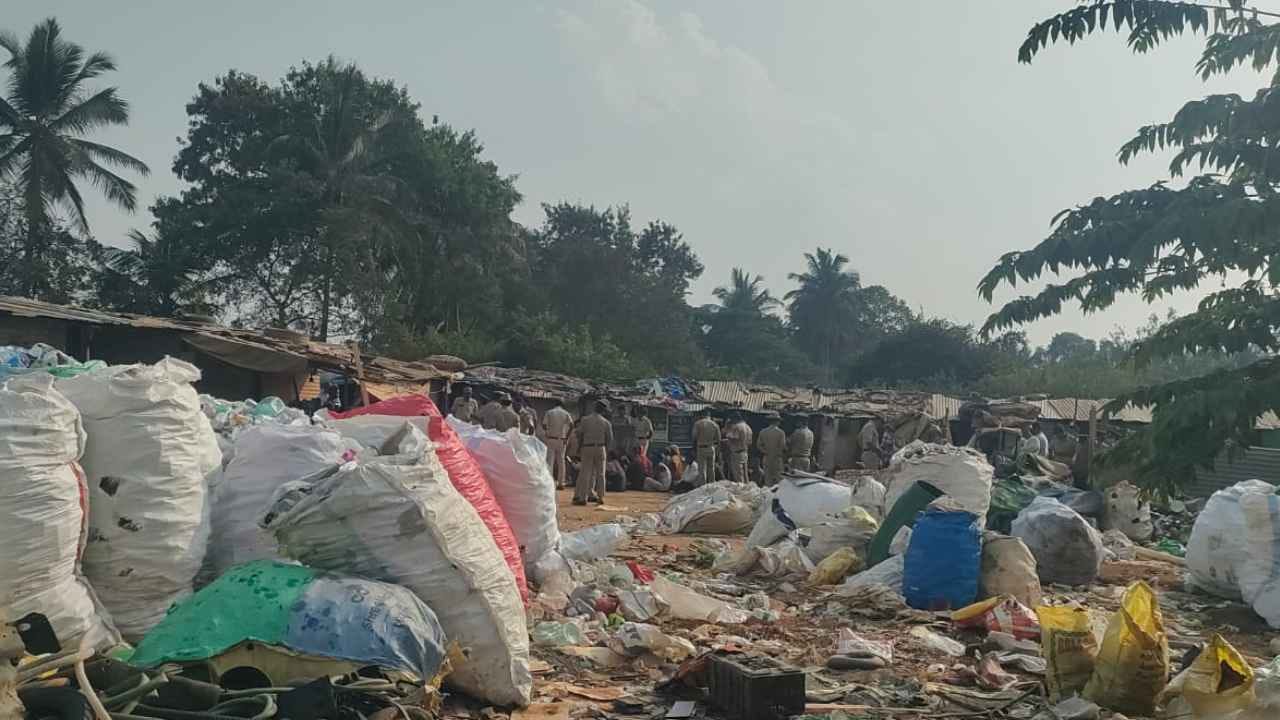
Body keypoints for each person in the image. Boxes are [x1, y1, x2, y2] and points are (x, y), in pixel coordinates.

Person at [573, 400, 613, 505]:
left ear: (594, 407)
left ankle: (583, 498)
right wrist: (606, 450)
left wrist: (579, 447)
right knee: (601, 474)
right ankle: (600, 497)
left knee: (585, 473)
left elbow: (579, 434)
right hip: (601, 447)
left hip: (587, 447)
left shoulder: (585, 420)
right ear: (603, 410)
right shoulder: (606, 422)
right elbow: (609, 439)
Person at [541, 398, 574, 489]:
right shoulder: (566, 413)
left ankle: (550, 482)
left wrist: (547, 432)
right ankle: (561, 483)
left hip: (551, 438)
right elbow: (572, 425)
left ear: (555, 404)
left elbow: (544, 424)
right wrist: (567, 437)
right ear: (562, 405)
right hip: (562, 440)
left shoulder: (549, 412)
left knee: (550, 461)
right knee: (561, 461)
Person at [757, 411, 787, 486]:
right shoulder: (781, 432)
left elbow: (759, 445)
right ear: (777, 421)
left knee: (768, 479)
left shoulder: (763, 431)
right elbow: (783, 446)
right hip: (777, 458)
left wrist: (765, 451)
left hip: (767, 457)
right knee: (779, 480)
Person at [692, 409, 720, 484]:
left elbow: (694, 437)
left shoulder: (698, 423)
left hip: (701, 448)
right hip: (711, 448)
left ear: (702, 415)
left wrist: (694, 448)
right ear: (709, 415)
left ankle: (703, 485)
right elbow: (718, 439)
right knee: (711, 469)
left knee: (702, 469)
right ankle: (712, 485)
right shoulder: (715, 424)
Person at [725, 412, 752, 483]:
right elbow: (750, 442)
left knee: (738, 476)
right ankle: (747, 488)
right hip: (745, 452)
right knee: (745, 475)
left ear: (735, 419)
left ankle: (741, 489)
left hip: (737, 453)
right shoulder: (748, 427)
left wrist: (727, 427)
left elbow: (733, 438)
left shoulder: (737, 427)